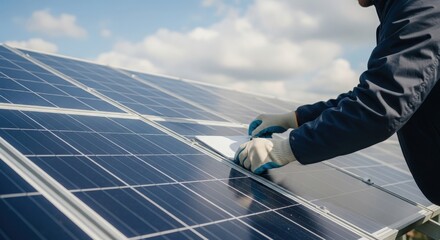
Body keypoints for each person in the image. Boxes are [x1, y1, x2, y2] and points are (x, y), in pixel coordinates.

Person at [234, 0, 440, 205]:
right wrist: (295, 118)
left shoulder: (421, 10)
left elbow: (379, 107)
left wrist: (285, 148)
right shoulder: (407, 11)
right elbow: (374, 94)